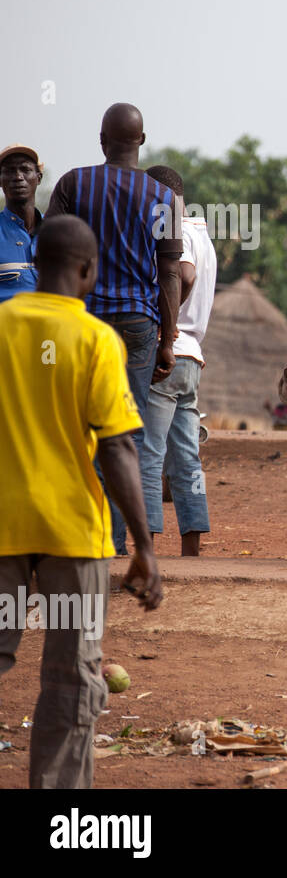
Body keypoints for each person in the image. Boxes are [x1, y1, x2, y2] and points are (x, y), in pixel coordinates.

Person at [0, 214, 163, 789]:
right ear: (89, 271)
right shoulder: (96, 339)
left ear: (34, 262)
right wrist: (144, 546)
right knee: (71, 679)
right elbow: (119, 448)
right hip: (72, 536)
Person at [44, 103, 185, 555]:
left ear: (102, 140)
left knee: (73, 425)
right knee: (125, 433)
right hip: (138, 325)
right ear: (141, 142)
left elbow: (48, 253)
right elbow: (169, 272)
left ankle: (71, 533)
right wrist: (168, 340)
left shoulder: (72, 184)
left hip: (79, 323)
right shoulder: (163, 198)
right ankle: (114, 543)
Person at [137, 166, 216, 557]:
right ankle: (192, 544)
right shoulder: (201, 233)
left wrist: (163, 331)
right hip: (192, 359)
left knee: (149, 451)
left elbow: (181, 276)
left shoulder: (177, 233)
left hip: (168, 352)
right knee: (186, 455)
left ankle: (146, 544)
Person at [0, 144, 43, 302]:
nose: (18, 177)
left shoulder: (57, 231)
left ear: (38, 178)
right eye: (9, 171)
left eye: (25, 170)